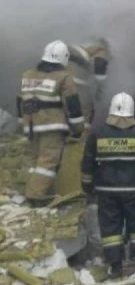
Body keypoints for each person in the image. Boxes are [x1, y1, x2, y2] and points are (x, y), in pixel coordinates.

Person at [81, 92, 135, 277]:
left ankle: (115, 265)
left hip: (106, 190)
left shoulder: (97, 132)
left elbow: (88, 162)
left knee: (111, 229)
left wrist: (87, 185)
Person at [17, 40, 84, 206]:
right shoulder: (64, 77)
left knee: (33, 160)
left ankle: (26, 191)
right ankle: (36, 195)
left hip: (30, 126)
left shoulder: (28, 75)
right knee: (48, 161)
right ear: (63, 58)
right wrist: (78, 129)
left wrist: (22, 124)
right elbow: (72, 105)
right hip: (52, 126)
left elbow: (20, 101)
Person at [66, 38, 111, 131]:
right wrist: (99, 88)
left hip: (59, 80)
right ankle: (83, 134)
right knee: (86, 109)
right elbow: (100, 64)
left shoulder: (75, 47)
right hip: (76, 81)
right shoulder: (100, 49)